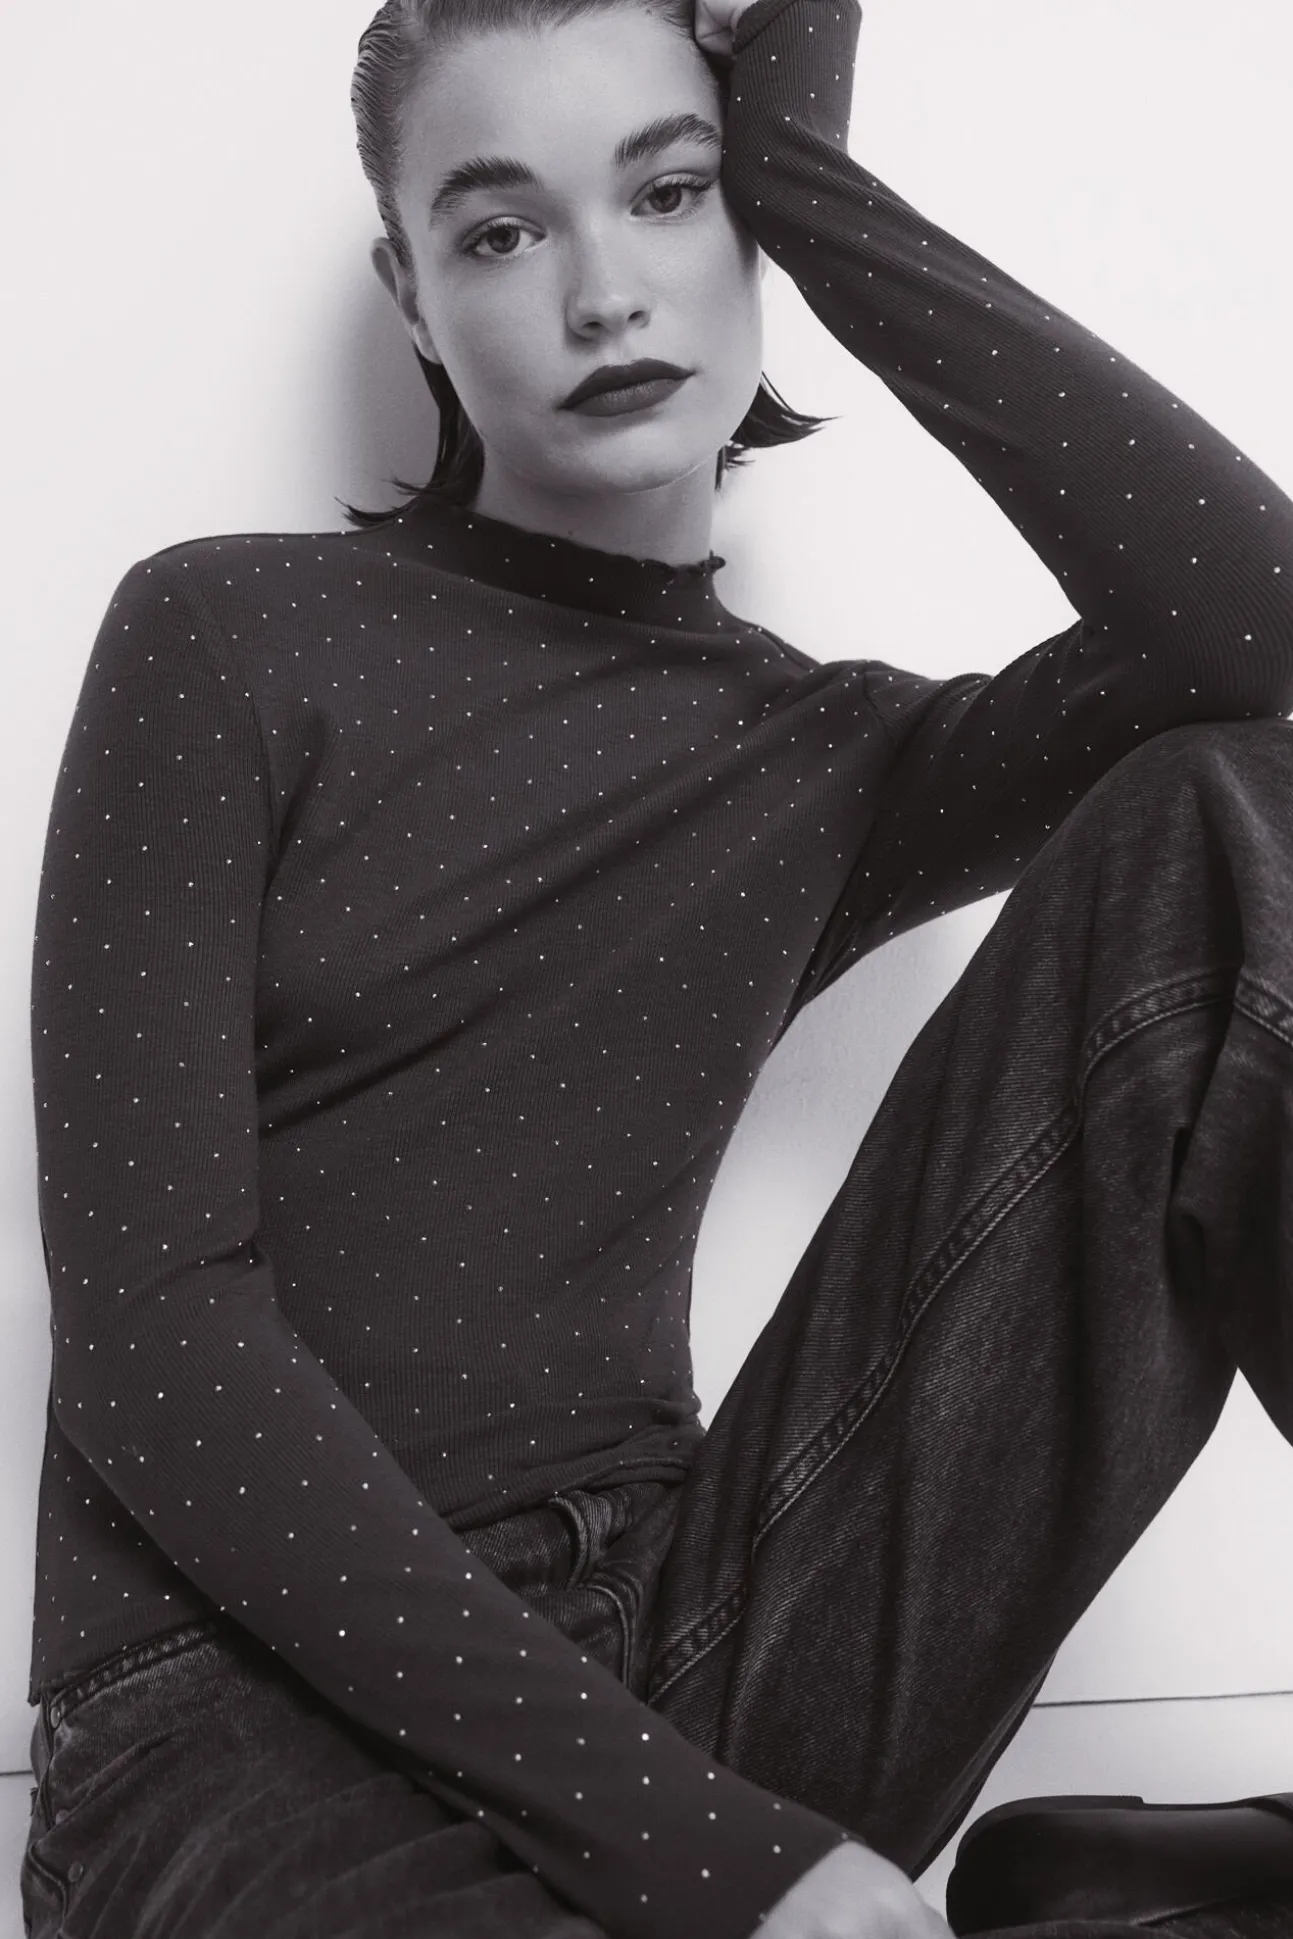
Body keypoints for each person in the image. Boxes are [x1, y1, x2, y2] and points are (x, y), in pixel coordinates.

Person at [19, 0, 1293, 1932]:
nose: (604, 291)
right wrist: (728, 1860)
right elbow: (149, 1339)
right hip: (229, 1710)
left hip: (692, 1621)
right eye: (501, 229)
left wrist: (818, 180)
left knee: (1229, 825)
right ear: (416, 295)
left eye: (674, 192)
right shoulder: (225, 636)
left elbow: (1259, 638)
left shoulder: (830, 759)